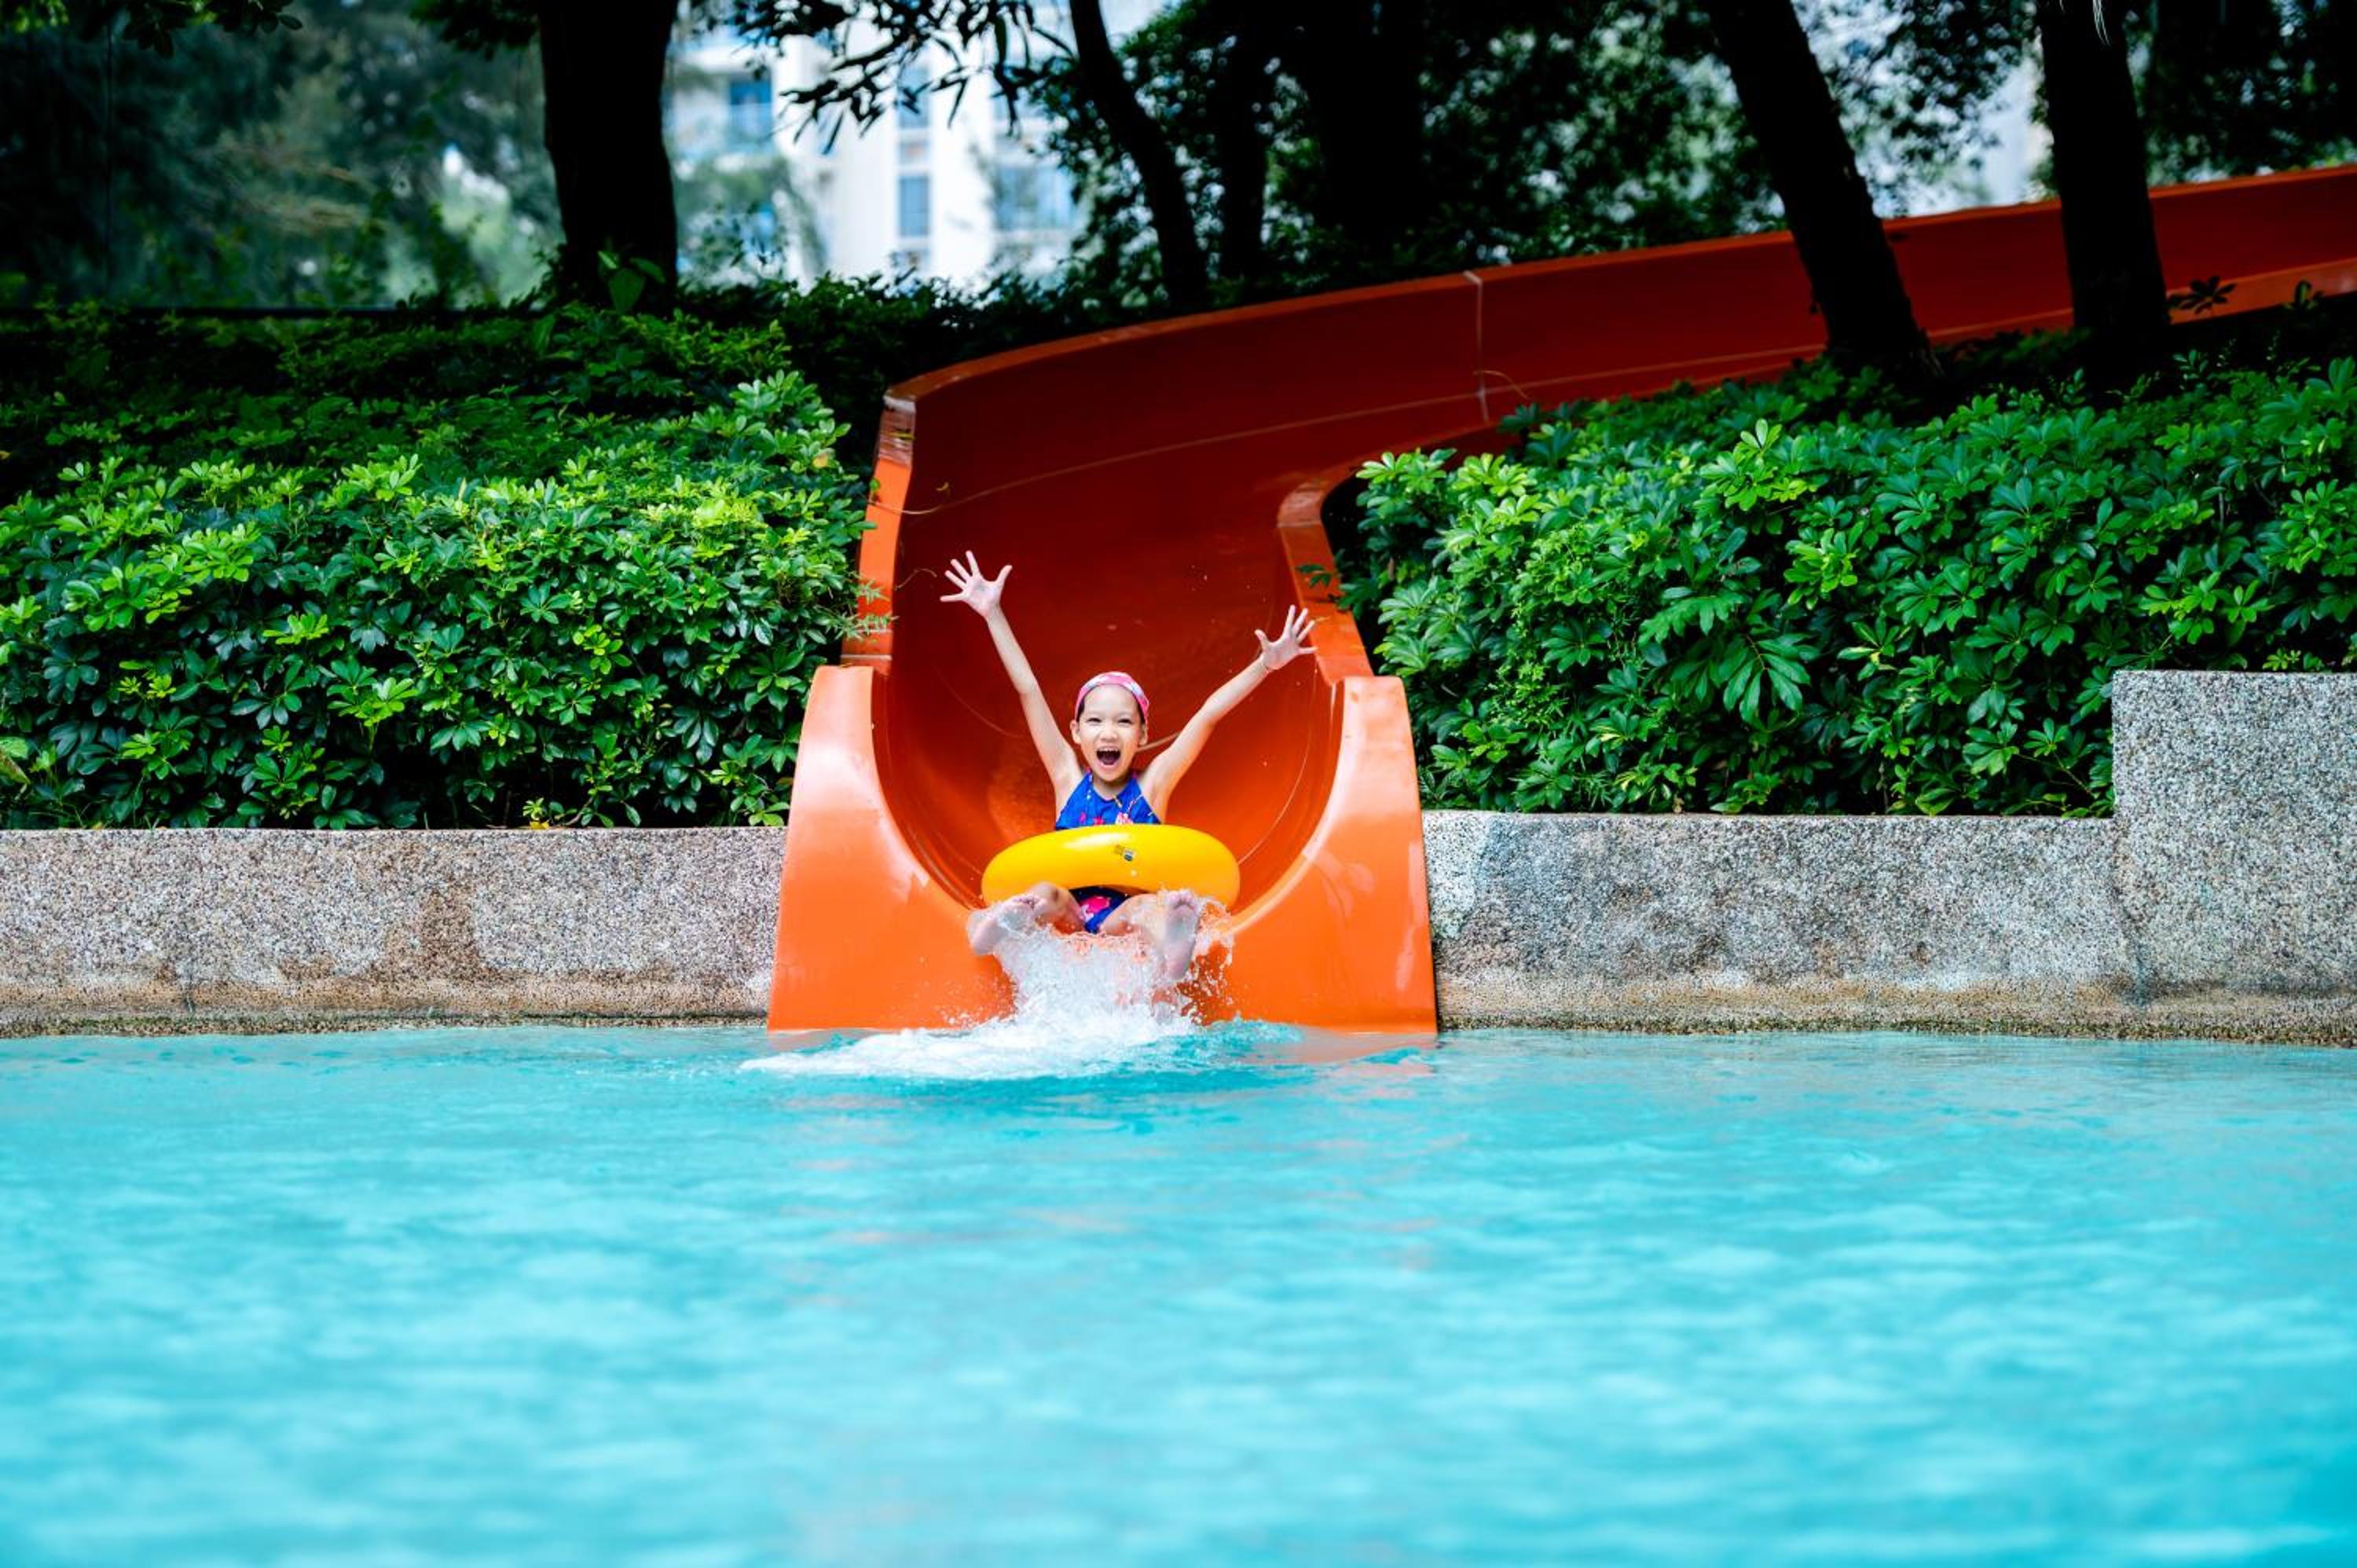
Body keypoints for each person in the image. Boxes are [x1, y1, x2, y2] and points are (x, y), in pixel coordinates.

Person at [940, 551, 1313, 986]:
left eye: (1123, 722)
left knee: (1147, 908)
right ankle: (1006, 923)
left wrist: (1265, 665)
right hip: (1071, 915)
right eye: (1096, 721)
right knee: (1043, 894)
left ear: (1143, 733)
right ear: (1076, 732)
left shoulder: (1154, 785)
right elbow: (1028, 689)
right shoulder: (1066, 777)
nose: (1109, 732)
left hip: (1123, 915)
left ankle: (1173, 943)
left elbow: (1207, 716)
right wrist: (993, 615)